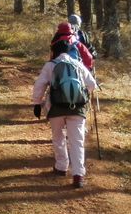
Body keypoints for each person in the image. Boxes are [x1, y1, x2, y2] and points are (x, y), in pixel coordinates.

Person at [32, 37, 98, 188]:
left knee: (58, 137)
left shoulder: (51, 65)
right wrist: (81, 95)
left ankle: (61, 167)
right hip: (78, 108)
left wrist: (37, 103)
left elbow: (40, 85)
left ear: (54, 52)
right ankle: (78, 175)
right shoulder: (78, 64)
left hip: (56, 108)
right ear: (69, 51)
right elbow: (92, 84)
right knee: (77, 141)